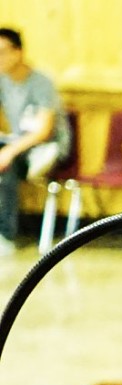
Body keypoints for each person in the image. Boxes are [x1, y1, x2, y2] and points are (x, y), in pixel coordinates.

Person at [0, 28, 72, 252]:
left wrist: (9, 151)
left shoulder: (41, 82)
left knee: (7, 164)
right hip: (19, 143)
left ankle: (5, 235)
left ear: (18, 52)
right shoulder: (3, 81)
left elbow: (43, 131)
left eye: (2, 52)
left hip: (49, 148)